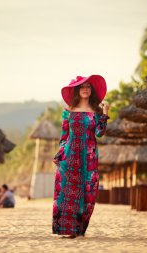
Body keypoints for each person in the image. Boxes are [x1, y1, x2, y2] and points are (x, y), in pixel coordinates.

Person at [52, 75, 110, 239]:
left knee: (87, 191)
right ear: (77, 90)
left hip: (88, 157)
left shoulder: (96, 112)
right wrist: (61, 153)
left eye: (88, 87)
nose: (85, 89)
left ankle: (79, 228)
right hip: (69, 155)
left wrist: (105, 113)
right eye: (82, 86)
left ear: (91, 91)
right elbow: (64, 137)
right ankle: (66, 229)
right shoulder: (67, 113)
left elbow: (99, 133)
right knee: (66, 191)